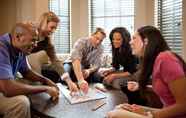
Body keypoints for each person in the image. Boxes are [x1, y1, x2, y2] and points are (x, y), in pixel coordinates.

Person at [106, 25, 186, 118]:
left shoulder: (166, 59)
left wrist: (149, 114)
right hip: (166, 111)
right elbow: (168, 91)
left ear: (146, 41)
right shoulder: (155, 60)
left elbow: (184, 105)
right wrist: (140, 87)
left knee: (113, 115)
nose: (130, 42)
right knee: (120, 108)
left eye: (134, 38)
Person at [0, 23, 59, 118]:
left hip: (4, 87)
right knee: (21, 103)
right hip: (4, 88)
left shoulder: (20, 49)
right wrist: (45, 88)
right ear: (18, 37)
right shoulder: (2, 47)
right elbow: (8, 88)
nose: (36, 45)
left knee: (33, 86)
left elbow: (27, 72)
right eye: (33, 40)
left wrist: (45, 80)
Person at [62, 27, 106, 94]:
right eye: (97, 38)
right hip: (71, 63)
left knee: (97, 75)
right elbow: (76, 59)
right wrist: (81, 80)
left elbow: (97, 64)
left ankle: (92, 90)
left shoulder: (100, 48)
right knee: (65, 71)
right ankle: (64, 88)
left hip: (85, 67)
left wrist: (89, 70)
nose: (98, 42)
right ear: (92, 35)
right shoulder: (81, 42)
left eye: (101, 40)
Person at [29, 11, 64, 83]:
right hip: (19, 63)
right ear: (44, 23)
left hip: (31, 67)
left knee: (56, 69)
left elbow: (55, 61)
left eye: (55, 28)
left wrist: (69, 81)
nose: (53, 31)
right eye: (52, 27)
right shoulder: (29, 30)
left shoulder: (47, 43)